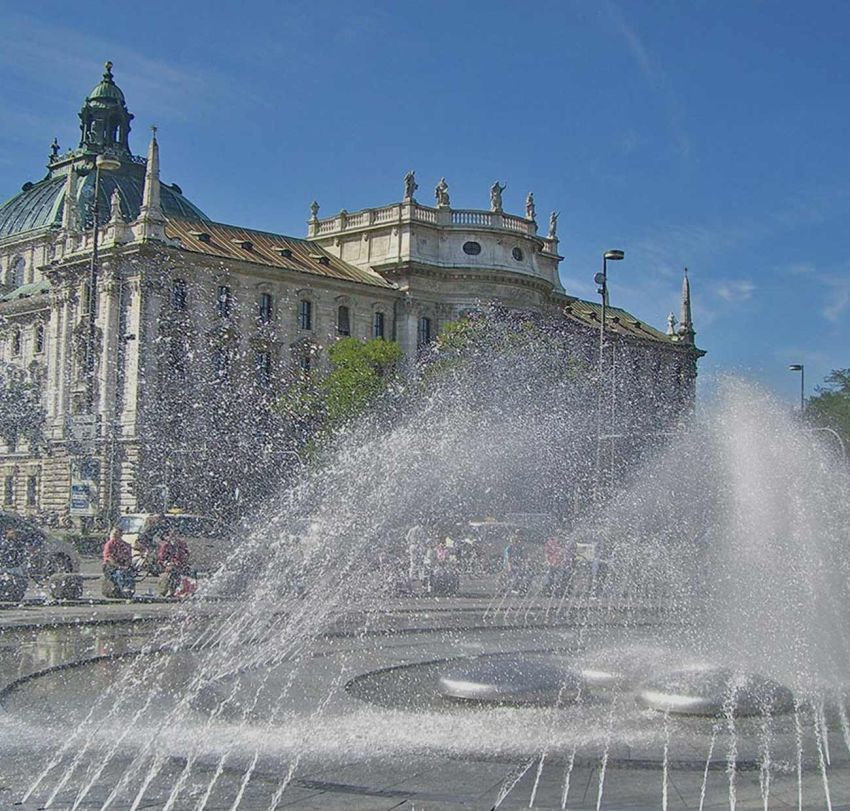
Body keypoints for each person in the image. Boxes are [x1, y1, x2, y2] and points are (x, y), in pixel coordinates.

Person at [102, 526, 135, 598]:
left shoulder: (125, 545)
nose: (114, 534)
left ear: (121, 535)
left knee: (129, 573)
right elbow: (108, 558)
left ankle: (129, 588)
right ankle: (124, 588)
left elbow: (128, 557)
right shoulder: (109, 544)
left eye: (117, 533)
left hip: (122, 565)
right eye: (113, 533)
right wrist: (119, 566)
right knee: (119, 573)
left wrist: (127, 565)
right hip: (110, 566)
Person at [157, 531, 192, 598]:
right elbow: (161, 557)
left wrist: (184, 562)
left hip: (180, 565)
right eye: (171, 535)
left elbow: (186, 553)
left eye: (175, 535)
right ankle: (168, 591)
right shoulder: (166, 545)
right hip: (169, 565)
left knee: (184, 574)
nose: (174, 537)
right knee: (170, 575)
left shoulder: (181, 544)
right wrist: (167, 563)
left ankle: (176, 591)